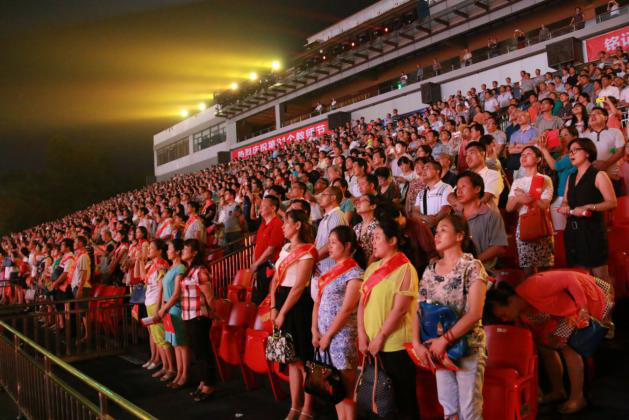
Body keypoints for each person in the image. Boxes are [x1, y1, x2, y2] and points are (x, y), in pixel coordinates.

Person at [485, 271, 614, 414]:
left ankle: (578, 398)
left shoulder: (532, 287)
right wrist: (534, 384)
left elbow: (569, 279)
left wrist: (583, 307)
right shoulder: (521, 311)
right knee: (545, 346)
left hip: (591, 296)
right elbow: (532, 344)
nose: (504, 320)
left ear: (510, 301)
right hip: (567, 309)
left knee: (568, 348)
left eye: (503, 314)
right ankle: (558, 390)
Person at [412, 214, 488, 420]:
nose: (437, 235)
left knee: (469, 412)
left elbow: (475, 313)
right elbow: (418, 309)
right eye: (435, 231)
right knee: (449, 411)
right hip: (438, 350)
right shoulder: (429, 270)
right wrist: (416, 343)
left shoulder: (472, 267)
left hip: (467, 347)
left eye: (443, 230)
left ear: (460, 235)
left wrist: (444, 340)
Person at [357, 218, 420, 420]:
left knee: (403, 403)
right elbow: (361, 304)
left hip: (396, 345)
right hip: (372, 344)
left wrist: (380, 338)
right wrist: (362, 335)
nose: (373, 242)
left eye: (377, 238)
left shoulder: (405, 268)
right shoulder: (371, 269)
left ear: (392, 240)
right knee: (379, 401)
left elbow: (400, 309)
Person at [312, 226, 364, 420]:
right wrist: (314, 331)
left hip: (341, 338)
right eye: (329, 242)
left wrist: (327, 336)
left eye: (334, 243)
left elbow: (347, 309)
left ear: (348, 245)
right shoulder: (330, 271)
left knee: (346, 392)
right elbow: (317, 302)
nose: (329, 247)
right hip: (323, 337)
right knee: (334, 390)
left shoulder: (355, 273)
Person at [270, 210, 318, 420]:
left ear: (297, 225)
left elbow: (299, 287)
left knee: (304, 358)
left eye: (286, 223)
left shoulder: (307, 251)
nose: (282, 226)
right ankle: (294, 405)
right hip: (281, 301)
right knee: (291, 358)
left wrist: (283, 313)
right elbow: (275, 280)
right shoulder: (285, 249)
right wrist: (273, 307)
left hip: (297, 306)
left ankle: (308, 407)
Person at [558, 138, 617, 282]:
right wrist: (565, 205)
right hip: (572, 232)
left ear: (587, 153)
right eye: (569, 151)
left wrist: (589, 207)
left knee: (601, 278)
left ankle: (608, 304)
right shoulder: (571, 177)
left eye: (575, 150)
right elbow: (566, 199)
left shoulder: (599, 175)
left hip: (592, 231)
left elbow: (612, 202)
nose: (571, 154)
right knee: (580, 278)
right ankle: (589, 305)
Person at [506, 146, 554, 276]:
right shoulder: (517, 181)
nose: (523, 156)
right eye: (522, 154)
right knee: (527, 269)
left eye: (528, 154)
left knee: (545, 268)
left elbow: (544, 205)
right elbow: (509, 208)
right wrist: (518, 198)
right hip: (523, 225)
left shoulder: (544, 179)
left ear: (538, 159)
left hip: (540, 223)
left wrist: (527, 198)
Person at [180, 239, 216, 402]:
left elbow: (209, 296)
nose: (183, 250)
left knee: (203, 351)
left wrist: (213, 314)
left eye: (186, 248)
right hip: (188, 315)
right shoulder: (190, 270)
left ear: (194, 252)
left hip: (199, 316)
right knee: (197, 351)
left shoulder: (200, 271)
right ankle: (203, 381)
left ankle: (209, 384)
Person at [455, 171, 508, 275]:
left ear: (477, 189)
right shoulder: (455, 216)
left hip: (483, 272)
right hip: (456, 271)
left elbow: (499, 247)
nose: (459, 191)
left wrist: (473, 261)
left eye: (463, 187)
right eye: (457, 188)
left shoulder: (491, 215)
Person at [136, 239, 173, 380]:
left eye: (151, 248)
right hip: (149, 302)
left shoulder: (162, 265)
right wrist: (139, 260)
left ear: (159, 251)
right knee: (157, 337)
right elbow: (141, 278)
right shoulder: (152, 265)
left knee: (161, 338)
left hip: (156, 304)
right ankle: (165, 367)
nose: (149, 250)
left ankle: (170, 369)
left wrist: (159, 307)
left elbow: (162, 288)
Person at [156, 239, 189, 389]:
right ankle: (178, 374)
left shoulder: (181, 268)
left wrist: (164, 308)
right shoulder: (170, 268)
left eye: (169, 249)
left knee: (181, 344)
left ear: (177, 252)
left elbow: (176, 294)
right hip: (168, 308)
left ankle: (184, 375)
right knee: (175, 344)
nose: (167, 251)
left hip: (175, 308)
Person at [537, 126, 578, 231]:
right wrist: (546, 146)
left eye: (566, 135)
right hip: (558, 195)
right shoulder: (557, 154)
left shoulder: (574, 154)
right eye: (560, 135)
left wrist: (544, 149)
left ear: (575, 137)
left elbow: (556, 166)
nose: (562, 138)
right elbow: (543, 165)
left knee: (569, 230)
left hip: (568, 195)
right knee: (561, 230)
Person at [583, 108, 625, 195]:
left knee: (615, 206)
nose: (592, 116)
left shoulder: (615, 132)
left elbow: (621, 151)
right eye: (590, 115)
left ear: (606, 117)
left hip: (612, 178)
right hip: (591, 179)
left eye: (597, 113)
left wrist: (605, 164)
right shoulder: (585, 137)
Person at [250, 196, 284, 304]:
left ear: (273, 208)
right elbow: (257, 246)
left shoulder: (277, 224)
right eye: (260, 207)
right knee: (257, 296)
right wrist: (255, 264)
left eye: (264, 206)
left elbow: (271, 249)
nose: (260, 209)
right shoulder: (263, 224)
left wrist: (256, 264)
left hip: (269, 267)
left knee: (265, 298)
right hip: (260, 266)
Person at [413, 161, 453, 229]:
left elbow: (446, 209)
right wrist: (425, 218)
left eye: (427, 168)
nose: (424, 171)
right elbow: (415, 212)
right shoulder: (421, 193)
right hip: (424, 229)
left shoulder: (446, 187)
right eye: (423, 169)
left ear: (437, 171)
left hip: (440, 228)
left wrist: (435, 220)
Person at [353, 195, 378, 265]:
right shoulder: (356, 227)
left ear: (373, 206)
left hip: (373, 268)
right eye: (358, 201)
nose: (358, 203)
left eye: (363, 200)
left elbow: (376, 253)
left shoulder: (378, 226)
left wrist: (367, 270)